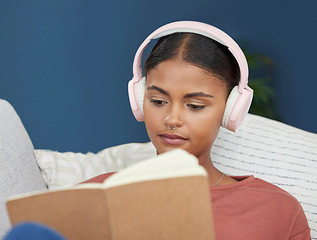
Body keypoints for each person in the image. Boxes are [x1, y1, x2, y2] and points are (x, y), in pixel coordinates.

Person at [5, 21, 311, 239]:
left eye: (195, 106)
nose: (172, 118)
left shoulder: (276, 209)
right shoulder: (96, 195)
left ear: (231, 110)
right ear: (140, 101)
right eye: (158, 100)